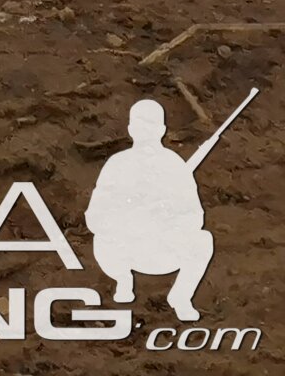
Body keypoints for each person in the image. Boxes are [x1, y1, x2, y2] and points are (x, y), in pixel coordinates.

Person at [88, 98, 218, 321]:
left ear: (162, 130)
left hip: (162, 247)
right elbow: (95, 215)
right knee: (102, 239)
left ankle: (181, 297)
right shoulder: (117, 164)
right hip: (125, 248)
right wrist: (127, 215)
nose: (145, 131)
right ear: (131, 129)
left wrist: (167, 215)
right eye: (140, 125)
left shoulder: (174, 165)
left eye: (151, 125)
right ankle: (123, 280)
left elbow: (195, 216)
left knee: (203, 240)